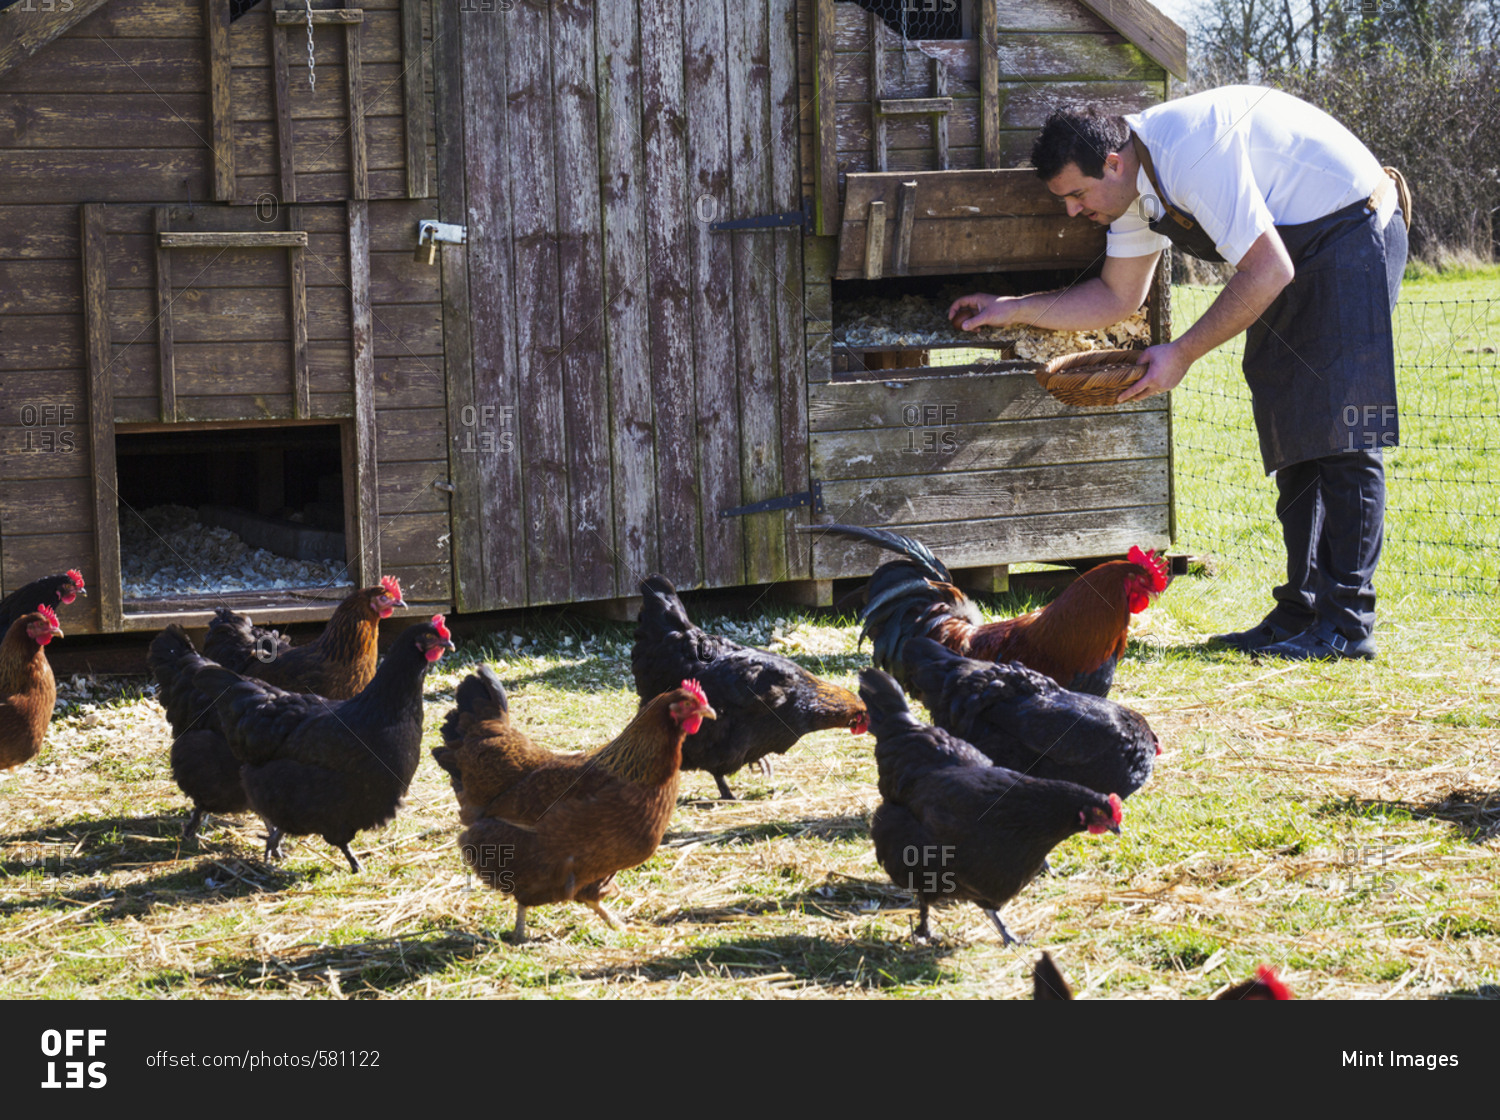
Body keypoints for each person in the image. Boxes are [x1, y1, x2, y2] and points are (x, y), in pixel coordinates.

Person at [949, 85, 1408, 661]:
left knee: (1342, 435)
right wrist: (1010, 307)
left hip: (1350, 230)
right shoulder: (1135, 189)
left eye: (1076, 194)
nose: (1072, 210)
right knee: (1294, 428)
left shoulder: (1191, 153)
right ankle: (1302, 609)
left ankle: (1347, 624)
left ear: (1112, 163)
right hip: (1293, 253)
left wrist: (1182, 352)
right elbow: (1116, 296)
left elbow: (1267, 269)